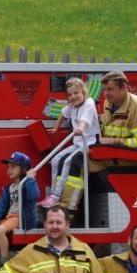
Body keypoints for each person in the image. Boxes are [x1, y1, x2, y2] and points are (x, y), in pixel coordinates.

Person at [39, 78, 100, 210]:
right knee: (55, 160)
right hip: (78, 142)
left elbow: (84, 121)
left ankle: (56, 196)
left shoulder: (89, 103)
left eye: (76, 93)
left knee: (67, 161)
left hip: (90, 143)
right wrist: (56, 128)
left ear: (83, 91)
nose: (73, 97)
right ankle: (54, 194)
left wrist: (81, 129)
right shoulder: (72, 106)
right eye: (70, 95)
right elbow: (62, 114)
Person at [88, 70, 137, 175]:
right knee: (78, 156)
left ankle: (67, 192)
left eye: (109, 89)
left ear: (123, 88)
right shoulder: (108, 103)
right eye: (104, 90)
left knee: (80, 161)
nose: (105, 94)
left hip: (129, 159)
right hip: (110, 153)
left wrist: (115, 141)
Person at [0, 151, 39, 261]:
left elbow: (34, 196)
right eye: (8, 167)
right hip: (9, 218)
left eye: (13, 167)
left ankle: (4, 260)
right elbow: (0, 206)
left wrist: (30, 179)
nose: (9, 170)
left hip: (20, 217)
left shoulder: (27, 183)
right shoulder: (9, 188)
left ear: (23, 168)